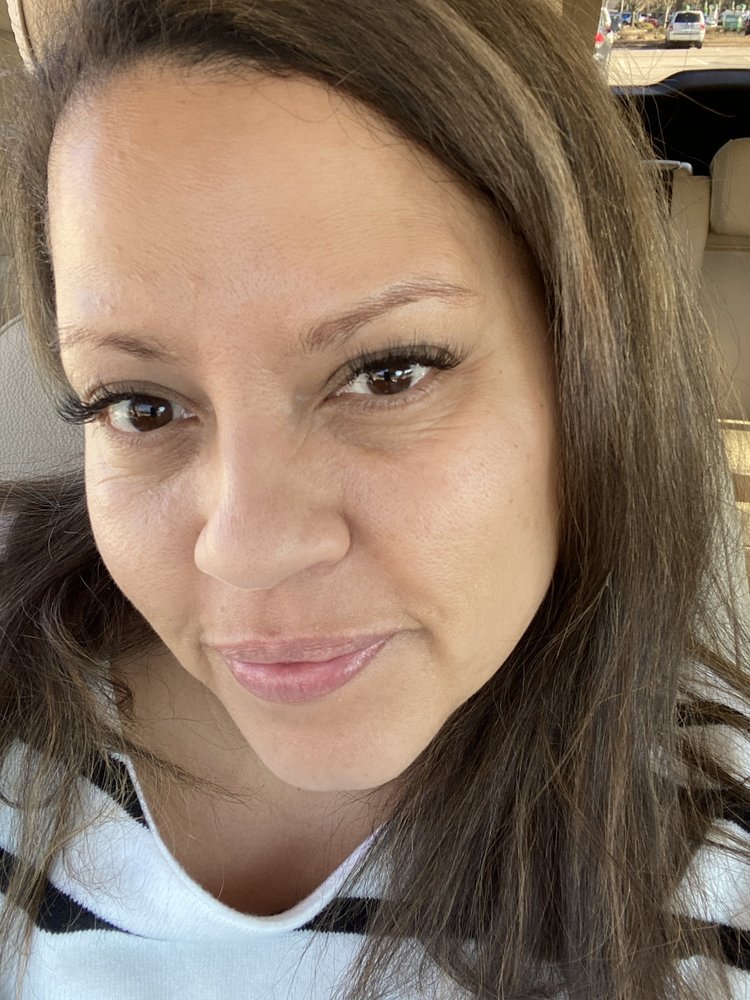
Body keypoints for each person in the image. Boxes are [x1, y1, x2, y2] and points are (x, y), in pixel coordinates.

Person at [1, 1, 749, 997]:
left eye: (388, 374)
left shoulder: (717, 866)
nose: (247, 549)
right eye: (141, 405)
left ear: (587, 375)